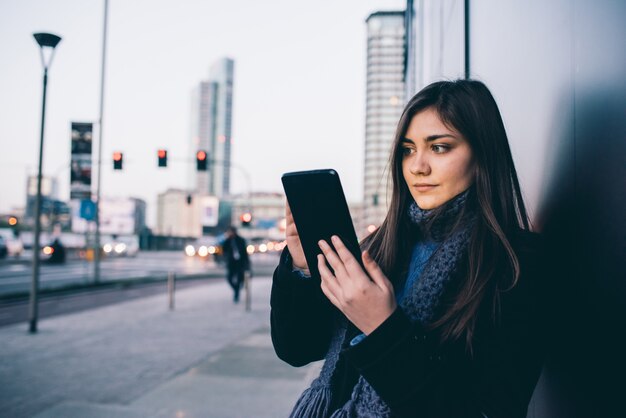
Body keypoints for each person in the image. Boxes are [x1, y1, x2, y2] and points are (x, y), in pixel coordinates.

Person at [270, 79, 548, 417]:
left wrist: (382, 328)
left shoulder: (516, 265)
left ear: (482, 155)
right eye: (407, 149)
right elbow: (298, 348)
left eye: (439, 147)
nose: (418, 166)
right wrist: (301, 267)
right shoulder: (381, 247)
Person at [221, 226, 250, 303]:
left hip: (240, 262)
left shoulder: (241, 240)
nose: (229, 233)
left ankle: (236, 293)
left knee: (240, 278)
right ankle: (236, 289)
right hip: (231, 262)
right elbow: (224, 251)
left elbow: (245, 253)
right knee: (229, 278)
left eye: (230, 232)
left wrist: (247, 263)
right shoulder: (227, 241)